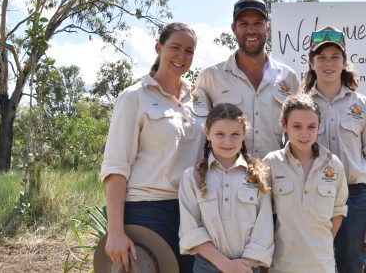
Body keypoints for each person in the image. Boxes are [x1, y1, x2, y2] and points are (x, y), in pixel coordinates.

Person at [100, 22, 209, 273]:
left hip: (192, 209)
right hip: (147, 210)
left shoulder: (200, 99)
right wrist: (115, 231)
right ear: (158, 47)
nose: (182, 56)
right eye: (175, 47)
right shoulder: (134, 97)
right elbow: (116, 167)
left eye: (189, 51)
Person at [304, 27, 366, 273]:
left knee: (353, 266)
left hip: (355, 199)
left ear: (344, 62)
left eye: (334, 57)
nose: (328, 63)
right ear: (311, 62)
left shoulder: (363, 106)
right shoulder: (300, 106)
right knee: (314, 265)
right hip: (313, 198)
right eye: (321, 57)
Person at [194, 0, 300, 160]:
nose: (251, 30)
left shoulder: (289, 78)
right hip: (227, 180)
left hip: (275, 179)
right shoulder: (211, 77)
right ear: (233, 28)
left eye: (258, 23)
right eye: (244, 24)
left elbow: (297, 132)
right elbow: (198, 134)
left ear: (268, 27)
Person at [179, 103, 274, 273]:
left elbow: (264, 229)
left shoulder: (258, 175)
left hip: (247, 268)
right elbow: (191, 229)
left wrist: (242, 265)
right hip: (206, 267)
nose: (227, 142)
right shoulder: (191, 177)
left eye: (235, 134)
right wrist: (225, 265)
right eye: (220, 134)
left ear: (244, 134)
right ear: (207, 133)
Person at [262, 94, 348, 273]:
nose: (305, 134)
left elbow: (338, 212)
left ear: (319, 126)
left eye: (311, 127)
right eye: (297, 126)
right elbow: (262, 217)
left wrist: (318, 246)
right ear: (283, 125)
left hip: (322, 265)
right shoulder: (271, 163)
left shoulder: (333, 164)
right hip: (281, 266)